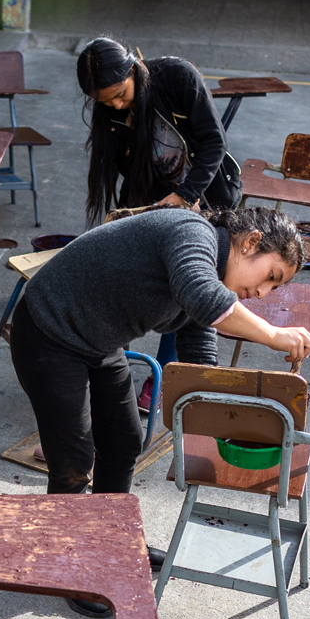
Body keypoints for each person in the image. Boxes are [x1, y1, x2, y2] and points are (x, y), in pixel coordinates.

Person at [13, 204, 310, 512]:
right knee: (72, 463)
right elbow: (204, 297)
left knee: (124, 444)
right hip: (49, 331)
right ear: (250, 242)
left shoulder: (210, 272)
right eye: (270, 276)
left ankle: (113, 543)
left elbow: (198, 341)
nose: (263, 292)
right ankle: (58, 552)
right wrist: (273, 335)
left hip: (97, 342)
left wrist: (219, 410)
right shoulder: (192, 233)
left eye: (273, 287)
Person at [76, 37, 244, 386]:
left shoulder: (177, 77)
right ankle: (114, 369)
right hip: (155, 199)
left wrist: (186, 194)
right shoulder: (111, 108)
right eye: (106, 103)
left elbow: (215, 141)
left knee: (191, 287)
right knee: (158, 281)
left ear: (134, 70)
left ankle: (169, 378)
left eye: (121, 94)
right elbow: (123, 165)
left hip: (208, 194)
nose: (118, 105)